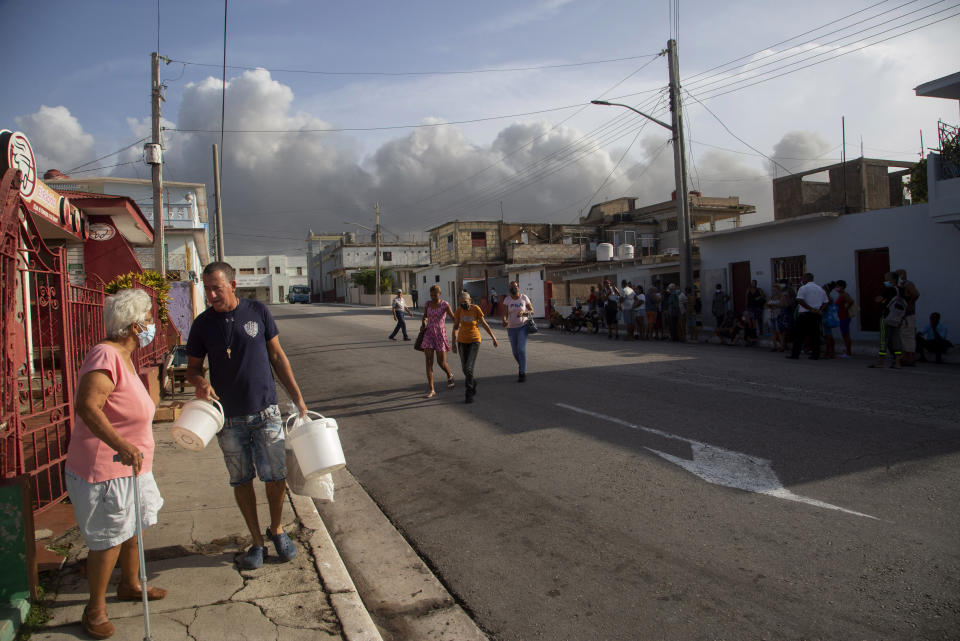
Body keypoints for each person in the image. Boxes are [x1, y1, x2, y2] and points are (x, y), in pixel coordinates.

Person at [186, 262, 307, 570]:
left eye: (217, 287)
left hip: (266, 410)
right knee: (241, 480)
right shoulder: (202, 325)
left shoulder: (257, 311)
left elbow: (277, 356)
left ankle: (277, 530)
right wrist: (201, 382)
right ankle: (256, 541)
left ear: (233, 285)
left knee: (275, 476)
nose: (212, 294)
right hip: (227, 419)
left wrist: (298, 398)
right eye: (207, 288)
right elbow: (192, 369)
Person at [66, 288, 166, 639]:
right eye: (149, 319)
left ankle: (130, 584)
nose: (152, 325)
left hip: (131, 466)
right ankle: (94, 610)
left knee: (133, 526)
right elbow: (88, 406)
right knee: (108, 538)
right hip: (105, 468)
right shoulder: (105, 355)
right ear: (135, 325)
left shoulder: (124, 356)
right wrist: (121, 444)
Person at [452, 291, 499, 403]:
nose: (463, 304)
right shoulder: (459, 311)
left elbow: (484, 324)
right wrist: (453, 343)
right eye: (461, 302)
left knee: (468, 368)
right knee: (465, 369)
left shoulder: (476, 309)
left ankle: (469, 393)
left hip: (474, 340)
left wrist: (493, 337)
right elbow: (455, 327)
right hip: (462, 341)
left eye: (465, 301)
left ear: (470, 300)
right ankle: (473, 382)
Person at [420, 284, 456, 398]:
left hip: (440, 334)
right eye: (431, 295)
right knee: (429, 361)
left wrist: (460, 326)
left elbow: (454, 318)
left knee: (441, 362)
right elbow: (425, 317)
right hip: (429, 333)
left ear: (440, 294)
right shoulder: (427, 304)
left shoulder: (445, 304)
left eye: (435, 295)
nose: (433, 297)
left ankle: (449, 374)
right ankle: (431, 389)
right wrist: (424, 322)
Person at [788, 273, 828, 360]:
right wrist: (820, 310)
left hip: (805, 314)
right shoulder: (820, 289)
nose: (802, 280)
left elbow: (799, 300)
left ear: (806, 278)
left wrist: (809, 308)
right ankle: (815, 354)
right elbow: (826, 302)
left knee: (799, 335)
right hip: (816, 314)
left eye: (803, 278)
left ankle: (795, 354)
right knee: (815, 335)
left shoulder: (803, 288)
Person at [870, 271, 905, 369]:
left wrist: (883, 300)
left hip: (886, 317)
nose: (885, 281)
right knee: (896, 340)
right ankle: (897, 362)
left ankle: (880, 361)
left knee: (883, 340)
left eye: (887, 279)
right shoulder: (901, 290)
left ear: (893, 280)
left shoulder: (888, 290)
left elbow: (879, 300)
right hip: (897, 318)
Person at [502, 281, 535, 381]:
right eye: (511, 287)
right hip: (511, 328)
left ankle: (522, 372)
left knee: (521, 349)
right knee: (515, 352)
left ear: (519, 288)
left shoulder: (524, 297)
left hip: (523, 326)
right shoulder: (507, 299)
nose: (513, 288)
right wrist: (504, 320)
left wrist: (524, 313)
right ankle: (522, 365)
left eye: (515, 286)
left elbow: (532, 311)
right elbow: (504, 313)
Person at [896, 269, 920, 366]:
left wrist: (909, 305)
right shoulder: (901, 285)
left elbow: (916, 294)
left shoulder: (908, 284)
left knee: (908, 336)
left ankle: (910, 358)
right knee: (903, 336)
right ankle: (906, 357)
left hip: (908, 315)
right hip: (903, 315)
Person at [831, 280, 855, 358]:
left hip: (844, 317)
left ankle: (848, 352)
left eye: (837, 286)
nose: (836, 288)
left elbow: (851, 301)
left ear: (841, 287)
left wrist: (846, 309)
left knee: (846, 335)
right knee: (844, 334)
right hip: (842, 317)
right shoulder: (841, 295)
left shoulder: (844, 295)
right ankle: (847, 351)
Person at [766, 284, 783, 351]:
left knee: (779, 332)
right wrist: (770, 306)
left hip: (778, 316)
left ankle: (782, 346)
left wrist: (773, 305)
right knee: (773, 331)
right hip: (771, 315)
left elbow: (782, 305)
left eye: (775, 290)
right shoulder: (771, 297)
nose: (773, 291)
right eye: (772, 290)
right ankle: (774, 346)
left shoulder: (781, 297)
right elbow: (766, 305)